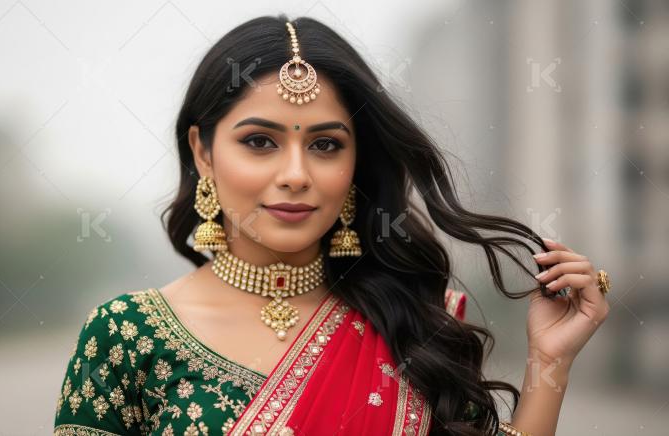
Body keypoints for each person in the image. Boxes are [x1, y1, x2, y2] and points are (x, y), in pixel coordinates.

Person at [53, 15, 611, 436]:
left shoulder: (416, 322)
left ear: (355, 161)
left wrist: (550, 363)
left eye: (325, 145)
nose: (296, 175)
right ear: (203, 151)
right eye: (260, 141)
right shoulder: (128, 337)